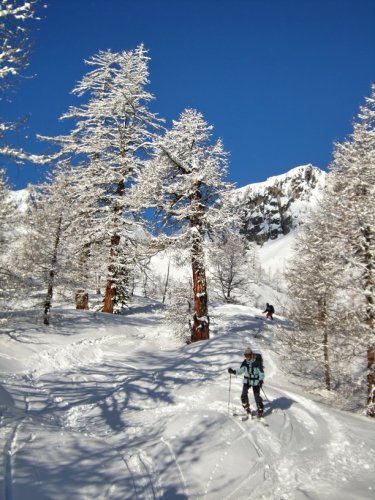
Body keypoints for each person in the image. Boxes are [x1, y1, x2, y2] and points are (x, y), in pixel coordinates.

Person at [228, 347, 265, 418]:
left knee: (257, 396)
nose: (247, 357)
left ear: (251, 355)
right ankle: (247, 408)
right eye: (245, 356)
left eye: (248, 355)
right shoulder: (245, 362)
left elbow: (261, 373)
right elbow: (240, 371)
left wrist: (260, 380)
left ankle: (260, 410)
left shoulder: (257, 363)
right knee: (243, 395)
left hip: (256, 381)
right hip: (247, 380)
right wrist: (233, 371)